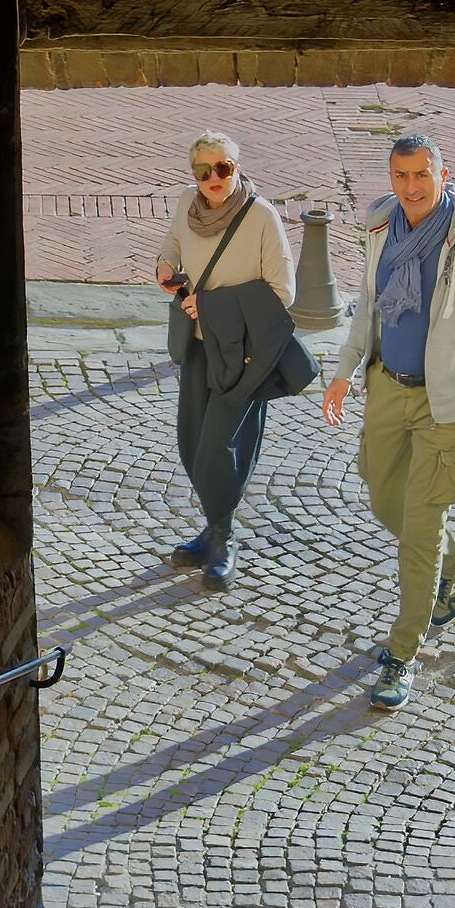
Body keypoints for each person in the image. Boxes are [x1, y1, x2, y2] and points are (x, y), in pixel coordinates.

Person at [320, 133, 455, 708]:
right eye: (401, 176)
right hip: (387, 388)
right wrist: (343, 370)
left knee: (419, 531)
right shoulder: (382, 228)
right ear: (391, 178)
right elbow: (368, 305)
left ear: (443, 173)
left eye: (421, 176)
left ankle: (401, 655)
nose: (411, 188)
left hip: (447, 408)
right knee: (386, 502)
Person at [154, 130, 293, 588]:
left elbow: (282, 293)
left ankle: (224, 538)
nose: (214, 177)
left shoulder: (261, 217)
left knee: (222, 446)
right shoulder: (185, 206)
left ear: (237, 167)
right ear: (192, 173)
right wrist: (164, 265)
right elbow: (173, 246)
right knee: (192, 443)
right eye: (203, 170)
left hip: (246, 355)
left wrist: (211, 305)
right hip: (199, 347)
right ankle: (212, 528)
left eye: (224, 167)